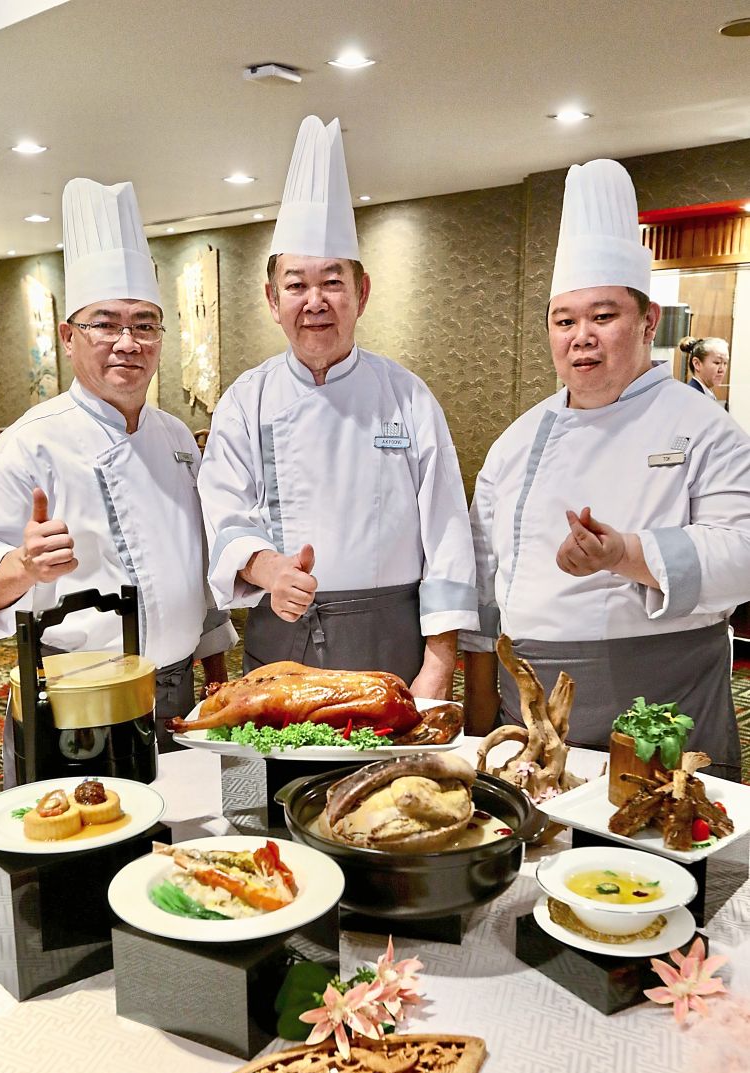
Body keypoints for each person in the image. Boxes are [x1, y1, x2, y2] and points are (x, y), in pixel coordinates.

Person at [462, 159, 750, 780]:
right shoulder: (517, 440)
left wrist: (623, 552)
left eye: (603, 316)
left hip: (662, 690)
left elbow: (744, 553)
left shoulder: (706, 427)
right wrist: (480, 697)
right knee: (540, 857)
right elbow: (483, 574)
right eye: (565, 321)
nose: (581, 337)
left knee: (658, 856)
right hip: (530, 693)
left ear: (648, 323)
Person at [0, 178, 236, 783]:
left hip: (180, 689)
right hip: (79, 693)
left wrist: (217, 678)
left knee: (183, 842)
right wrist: (24, 566)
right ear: (68, 336)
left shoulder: (177, 437)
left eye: (145, 324)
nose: (128, 343)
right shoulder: (31, 442)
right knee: (84, 856)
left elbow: (196, 566)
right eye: (105, 323)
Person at [199, 116, 478, 698]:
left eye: (332, 282)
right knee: (270, 782)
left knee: (392, 789)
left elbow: (447, 529)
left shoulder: (407, 395)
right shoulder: (245, 400)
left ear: (362, 292)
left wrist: (439, 662)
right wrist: (266, 568)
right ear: (273, 300)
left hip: (393, 640)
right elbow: (222, 511)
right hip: (281, 637)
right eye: (296, 285)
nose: (315, 301)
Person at [679, 335, 730, 400]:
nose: (722, 370)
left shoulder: (707, 394)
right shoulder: (691, 397)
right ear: (697, 364)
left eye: (725, 363)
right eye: (717, 362)